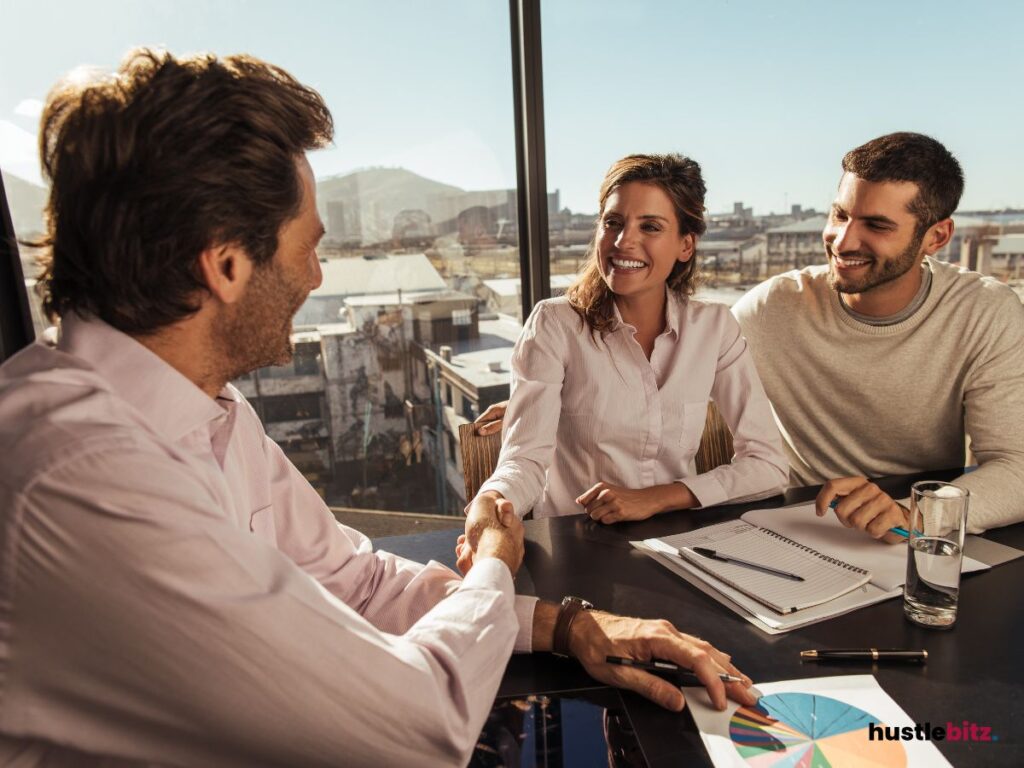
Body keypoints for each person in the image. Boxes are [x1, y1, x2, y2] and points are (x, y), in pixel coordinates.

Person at [0, 49, 754, 766]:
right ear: (225, 263)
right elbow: (418, 727)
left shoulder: (211, 412)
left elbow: (354, 581)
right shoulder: (84, 473)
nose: (317, 275)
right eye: (308, 246)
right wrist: (495, 564)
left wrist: (567, 625)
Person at [466, 154, 788, 528]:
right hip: (579, 545)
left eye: (650, 226)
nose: (623, 241)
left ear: (686, 245)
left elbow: (768, 466)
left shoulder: (714, 327)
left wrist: (658, 498)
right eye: (613, 223)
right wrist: (492, 499)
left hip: (678, 543)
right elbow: (524, 460)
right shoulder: (554, 324)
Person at [731, 132, 1024, 538]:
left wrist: (915, 516)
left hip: (911, 536)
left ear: (936, 237)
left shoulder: (985, 312)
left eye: (877, 225)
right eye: (840, 215)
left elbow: (1017, 467)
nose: (843, 240)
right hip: (797, 525)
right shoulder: (770, 308)